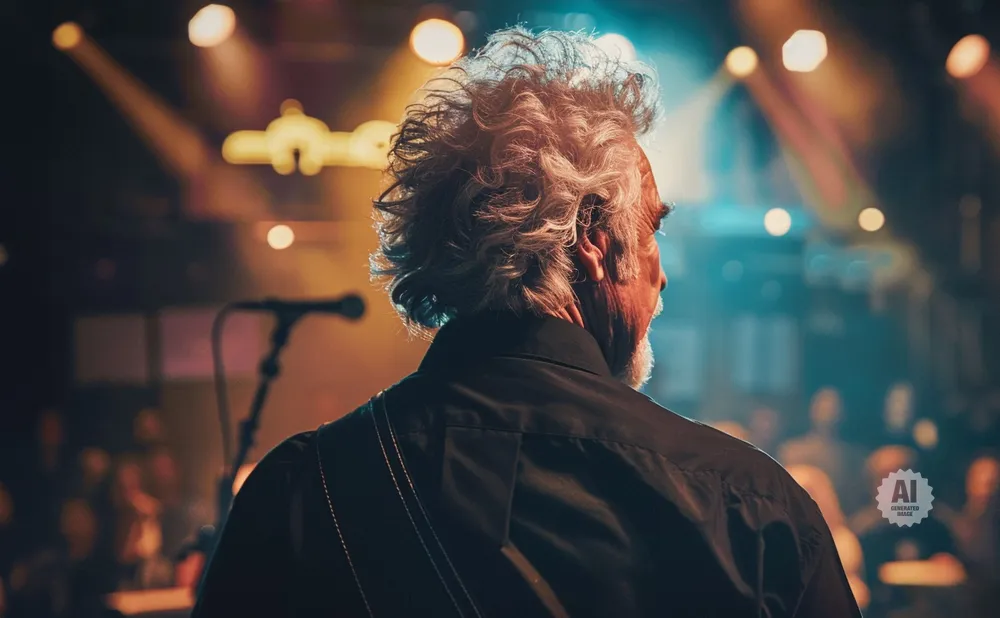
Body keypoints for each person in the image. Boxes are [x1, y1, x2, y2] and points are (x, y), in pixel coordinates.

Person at [193, 28, 860, 617]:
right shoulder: (748, 508)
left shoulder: (304, 493)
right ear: (594, 239)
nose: (662, 274)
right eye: (652, 232)